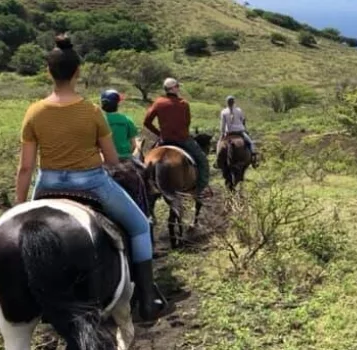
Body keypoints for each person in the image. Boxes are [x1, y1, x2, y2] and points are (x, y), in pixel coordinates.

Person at [13, 34, 167, 323]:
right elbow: (111, 160)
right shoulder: (92, 111)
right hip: (92, 182)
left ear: (49, 71)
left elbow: (25, 168)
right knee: (139, 227)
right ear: (77, 72)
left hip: (46, 183)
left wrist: (19, 206)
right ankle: (147, 298)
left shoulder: (33, 112)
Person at [142, 78, 213, 199]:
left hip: (164, 139)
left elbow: (146, 122)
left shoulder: (158, 103)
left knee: (145, 159)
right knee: (202, 161)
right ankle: (199, 190)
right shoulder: (183, 103)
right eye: (177, 86)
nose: (178, 88)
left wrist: (159, 133)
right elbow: (187, 122)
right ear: (173, 88)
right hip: (183, 139)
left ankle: (144, 187)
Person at [216, 95, 258, 168]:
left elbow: (222, 124)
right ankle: (253, 159)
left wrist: (222, 133)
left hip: (228, 133)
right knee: (250, 143)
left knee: (219, 144)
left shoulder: (223, 112)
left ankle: (217, 160)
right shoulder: (239, 110)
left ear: (227, 103)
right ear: (234, 102)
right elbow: (242, 120)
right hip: (240, 132)